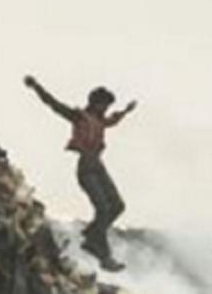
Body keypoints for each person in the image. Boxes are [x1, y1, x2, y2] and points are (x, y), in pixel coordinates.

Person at [23, 75, 138, 271]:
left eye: (107, 106)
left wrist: (126, 111)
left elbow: (112, 120)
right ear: (94, 103)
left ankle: (92, 234)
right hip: (86, 169)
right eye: (103, 105)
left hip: (98, 167)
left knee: (118, 206)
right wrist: (36, 87)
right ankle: (104, 256)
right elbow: (53, 104)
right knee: (102, 209)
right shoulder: (79, 116)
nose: (105, 110)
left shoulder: (100, 120)